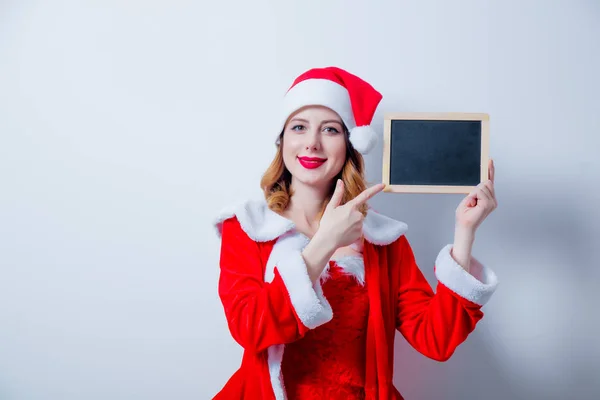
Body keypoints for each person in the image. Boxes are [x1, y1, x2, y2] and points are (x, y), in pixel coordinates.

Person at [212, 66, 499, 400]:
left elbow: (435, 339)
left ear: (348, 144)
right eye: (299, 127)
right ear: (282, 139)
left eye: (330, 130)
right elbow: (249, 327)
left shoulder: (381, 238)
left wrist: (465, 232)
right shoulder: (248, 226)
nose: (312, 144)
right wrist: (325, 242)